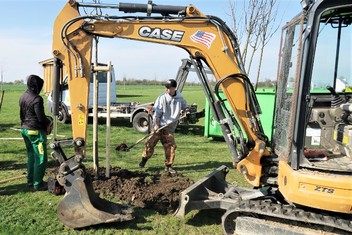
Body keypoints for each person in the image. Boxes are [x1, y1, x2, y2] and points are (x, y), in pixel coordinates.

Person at [139, 79, 188, 174]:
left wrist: (186, 111)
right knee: (150, 143)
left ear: (174, 88)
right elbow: (157, 113)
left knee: (171, 147)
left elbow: (185, 107)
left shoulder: (180, 98)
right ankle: (144, 159)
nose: (166, 89)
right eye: (166, 88)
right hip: (159, 125)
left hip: (169, 127)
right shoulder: (162, 98)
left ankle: (168, 166)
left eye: (168, 88)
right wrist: (156, 124)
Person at [20, 74, 52, 191]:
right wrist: (48, 123)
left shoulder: (23, 96)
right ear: (37, 86)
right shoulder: (37, 99)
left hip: (24, 130)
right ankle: (38, 184)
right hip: (35, 132)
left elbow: (22, 115)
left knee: (31, 156)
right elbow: (41, 118)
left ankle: (30, 181)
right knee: (41, 157)